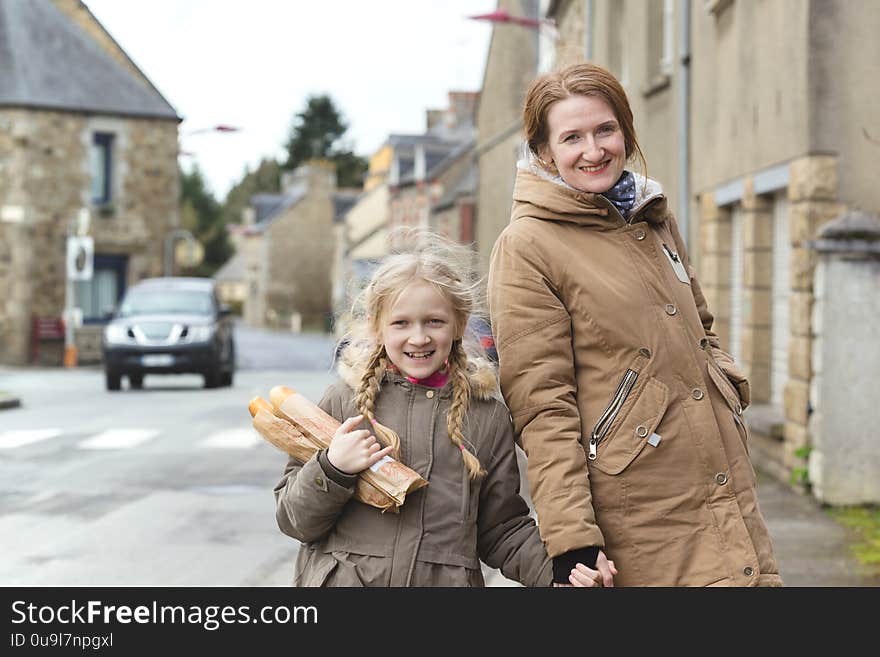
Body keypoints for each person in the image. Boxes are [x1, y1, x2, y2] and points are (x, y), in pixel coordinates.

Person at [487, 62, 782, 587]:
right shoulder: (527, 245)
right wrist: (572, 538)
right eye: (572, 137)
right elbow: (541, 404)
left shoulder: (651, 217)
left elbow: (701, 329)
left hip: (722, 478)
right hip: (639, 508)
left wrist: (725, 388)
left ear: (625, 130)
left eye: (605, 129)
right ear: (543, 152)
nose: (594, 149)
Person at [274, 230, 595, 587]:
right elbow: (295, 519)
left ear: (458, 324)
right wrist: (333, 469)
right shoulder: (342, 403)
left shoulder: (486, 418)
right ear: (377, 327)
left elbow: (502, 529)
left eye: (434, 322)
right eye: (401, 323)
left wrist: (557, 574)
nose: (419, 337)